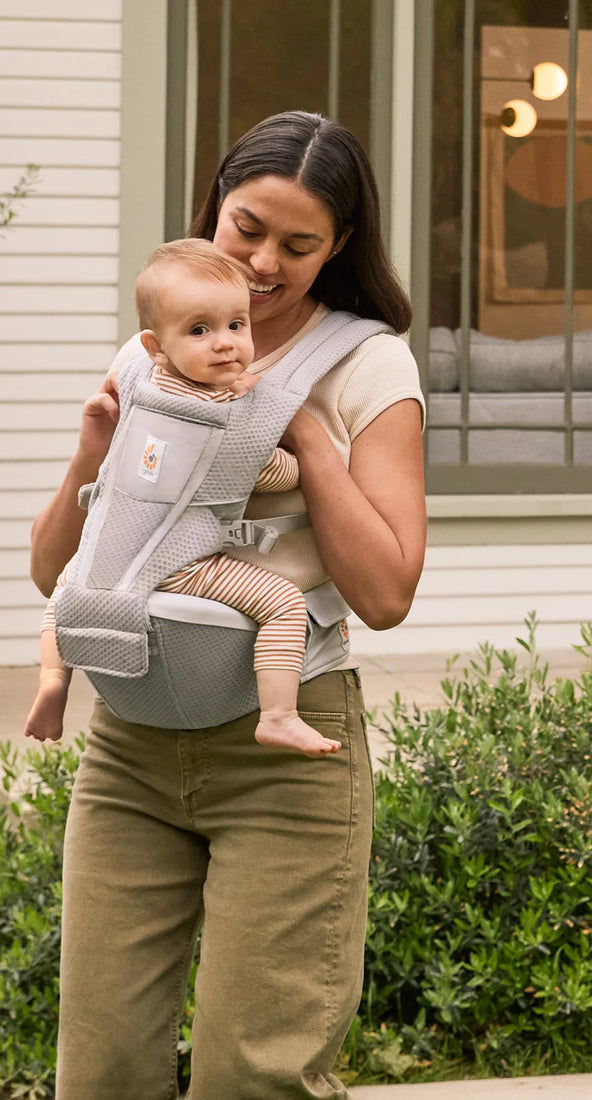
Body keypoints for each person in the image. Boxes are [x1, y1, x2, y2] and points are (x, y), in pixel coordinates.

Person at [30, 111, 426, 1099]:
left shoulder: (368, 364)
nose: (261, 264)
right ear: (215, 205)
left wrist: (306, 438)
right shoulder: (150, 352)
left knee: (254, 1075)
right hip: (130, 742)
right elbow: (53, 571)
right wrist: (90, 457)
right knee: (100, 1071)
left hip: (282, 753)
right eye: (246, 227)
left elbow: (386, 593)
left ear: (339, 246)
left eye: (298, 244)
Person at [25, 238, 343, 758]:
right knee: (285, 604)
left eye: (236, 325)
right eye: (200, 330)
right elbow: (276, 475)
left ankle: (53, 683)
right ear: (156, 345)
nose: (225, 344)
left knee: (67, 593)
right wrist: (292, 453)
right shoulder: (226, 417)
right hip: (181, 561)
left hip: (112, 548)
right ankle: (279, 715)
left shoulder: (140, 385)